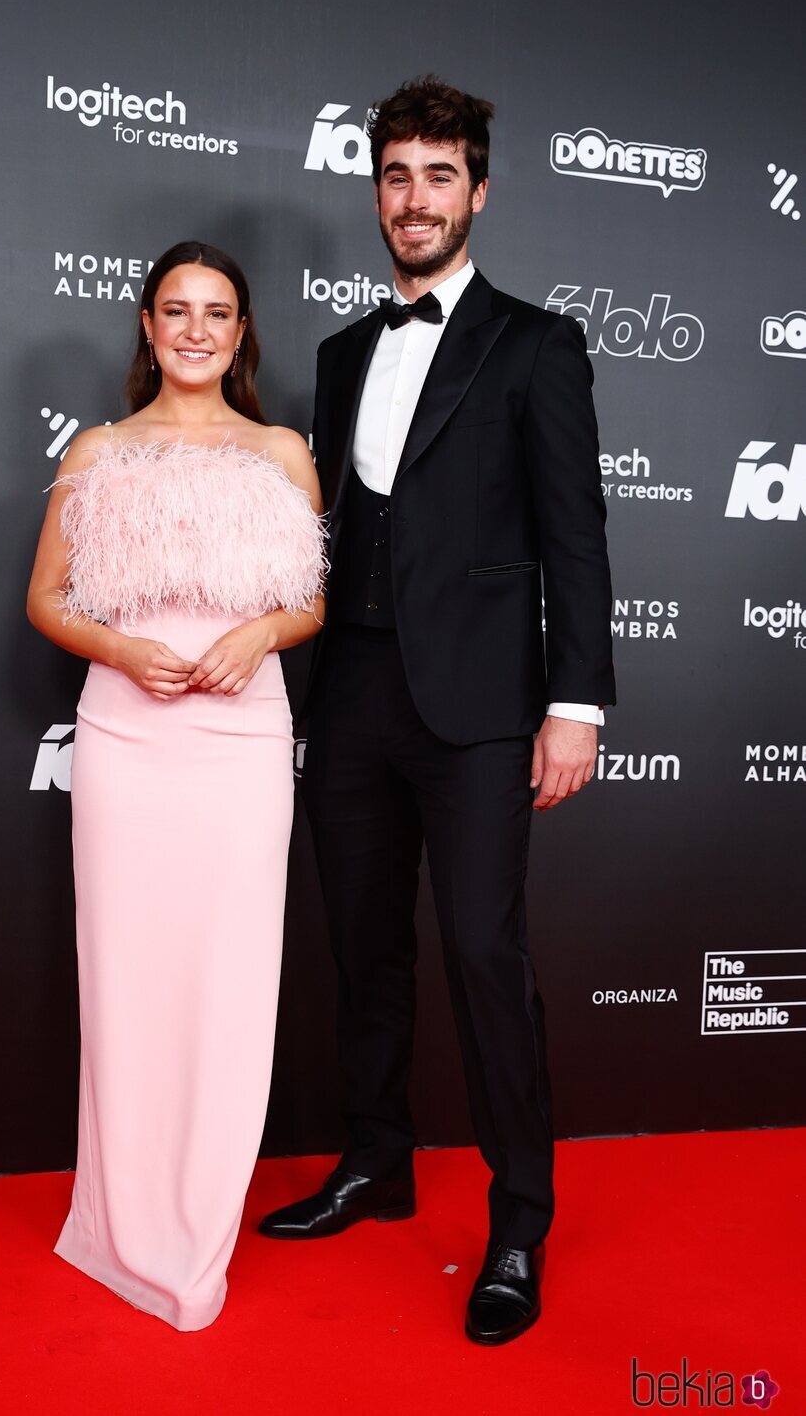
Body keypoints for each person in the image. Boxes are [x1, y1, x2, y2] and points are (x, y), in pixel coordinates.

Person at [259, 77, 615, 1346]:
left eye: (437, 176)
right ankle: (376, 1162)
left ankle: (518, 1221)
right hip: (347, 696)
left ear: (477, 191)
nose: (413, 199)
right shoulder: (343, 351)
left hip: (478, 707)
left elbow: (575, 536)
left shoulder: (535, 343)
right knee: (363, 947)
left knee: (482, 952)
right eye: (394, 176)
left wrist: (571, 703)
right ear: (375, 192)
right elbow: (329, 532)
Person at [27, 241, 325, 1332]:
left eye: (217, 312)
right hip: (127, 740)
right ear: (146, 328)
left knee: (229, 986)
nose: (195, 329)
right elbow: (47, 598)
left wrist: (258, 631)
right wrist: (116, 648)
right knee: (125, 981)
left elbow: (309, 606)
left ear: (241, 334)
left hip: (242, 743)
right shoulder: (99, 450)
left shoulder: (283, 453)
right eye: (174, 310)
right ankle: (116, 1224)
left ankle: (194, 1232)